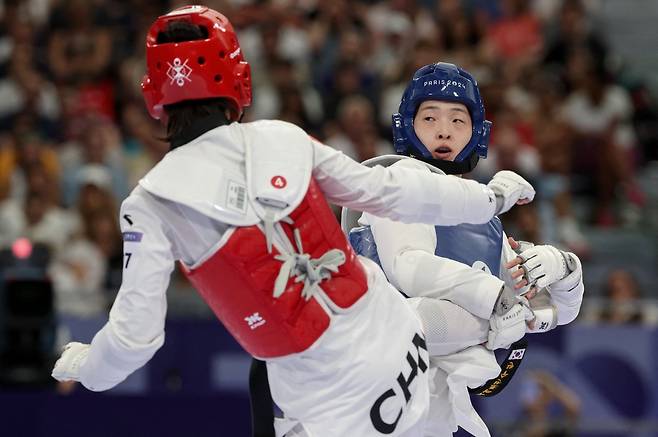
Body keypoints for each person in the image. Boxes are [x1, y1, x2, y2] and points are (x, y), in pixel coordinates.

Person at [50, 7, 535, 437]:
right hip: (401, 342)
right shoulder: (281, 138)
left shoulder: (149, 205)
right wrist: (487, 199)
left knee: (268, 367)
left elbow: (135, 340)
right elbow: (391, 190)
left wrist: (87, 366)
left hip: (328, 396)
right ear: (238, 80)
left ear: (153, 95)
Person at [344, 62, 585, 436]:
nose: (444, 130)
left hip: (436, 406)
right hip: (372, 393)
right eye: (430, 118)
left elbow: (547, 316)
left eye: (458, 120)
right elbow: (408, 269)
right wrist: (496, 303)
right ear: (407, 125)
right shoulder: (397, 183)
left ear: (477, 133)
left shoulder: (486, 224)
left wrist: (564, 269)